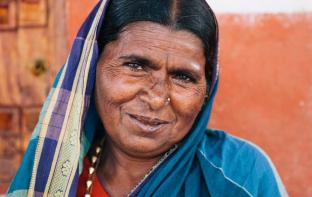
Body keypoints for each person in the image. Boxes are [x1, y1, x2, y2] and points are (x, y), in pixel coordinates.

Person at [7, 0, 288, 196]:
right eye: (136, 66)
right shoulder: (52, 174)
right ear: (91, 68)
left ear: (206, 90)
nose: (156, 98)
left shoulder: (240, 176)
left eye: (183, 77)